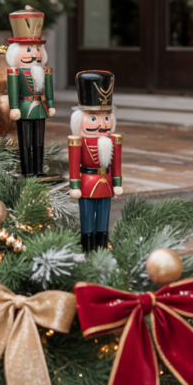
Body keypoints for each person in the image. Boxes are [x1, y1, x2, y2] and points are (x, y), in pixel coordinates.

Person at [68, 69, 123, 252]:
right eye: (93, 118)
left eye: (106, 117)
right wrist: (74, 185)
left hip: (106, 183)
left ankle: (101, 247)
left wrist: (117, 183)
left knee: (103, 220)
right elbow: (75, 164)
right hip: (86, 183)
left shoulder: (113, 140)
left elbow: (116, 164)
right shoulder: (78, 141)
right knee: (87, 220)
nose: (102, 124)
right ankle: (87, 249)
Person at [6, 6, 55, 176]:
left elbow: (48, 89)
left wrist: (50, 104)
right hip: (25, 108)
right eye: (28, 49)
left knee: (39, 141)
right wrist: (14, 107)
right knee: (25, 141)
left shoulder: (44, 71)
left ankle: (39, 170)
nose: (34, 54)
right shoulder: (15, 72)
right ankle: (27, 171)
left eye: (37, 49)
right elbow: (13, 90)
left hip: (40, 108)